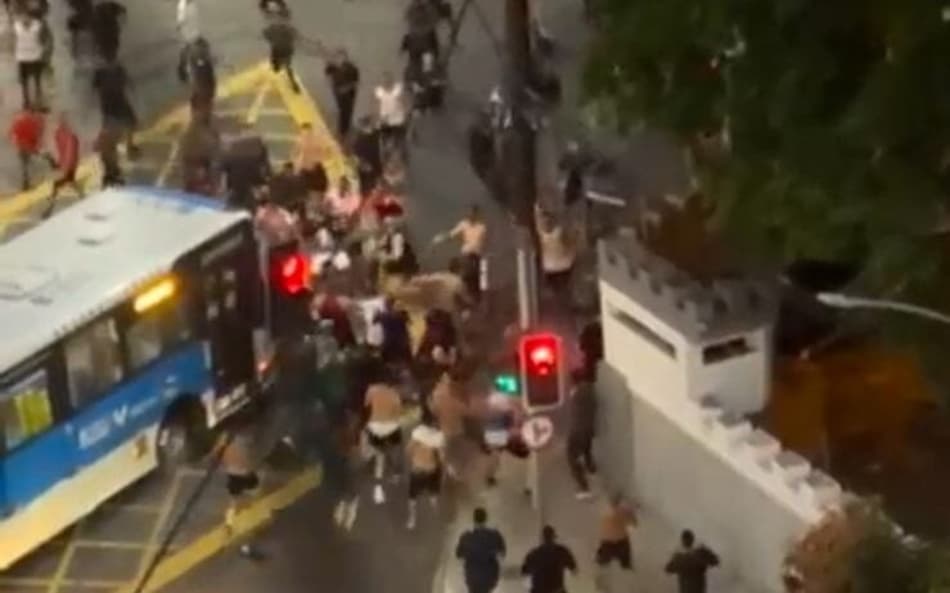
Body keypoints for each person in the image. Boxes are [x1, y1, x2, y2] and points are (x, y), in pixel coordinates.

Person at [363, 372, 404, 504]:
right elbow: (397, 414)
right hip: (391, 428)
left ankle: (377, 486)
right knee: (395, 449)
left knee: (379, 454)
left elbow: (366, 406)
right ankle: (396, 473)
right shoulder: (395, 395)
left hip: (375, 427)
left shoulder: (371, 389)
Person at [432, 205, 487, 302]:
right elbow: (451, 234)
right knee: (466, 277)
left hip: (477, 256)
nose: (471, 215)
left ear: (477, 214)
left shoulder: (482, 227)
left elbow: (486, 242)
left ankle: (476, 299)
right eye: (469, 213)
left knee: (476, 279)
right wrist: (440, 238)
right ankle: (466, 298)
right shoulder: (464, 224)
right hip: (466, 255)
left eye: (473, 213)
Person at [405, 410, 444, 529]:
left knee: (412, 498)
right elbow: (442, 457)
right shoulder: (439, 436)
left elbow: (408, 450)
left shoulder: (418, 433)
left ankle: (412, 519)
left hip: (417, 470)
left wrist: (415, 458)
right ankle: (436, 515)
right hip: (431, 470)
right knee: (433, 495)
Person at [93, 57, 139, 156]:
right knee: (129, 122)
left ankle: (111, 146)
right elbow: (129, 82)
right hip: (117, 100)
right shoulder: (117, 69)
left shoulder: (101, 71)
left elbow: (95, 89)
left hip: (108, 102)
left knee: (112, 125)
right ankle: (127, 146)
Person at [455, 507, 506, 593]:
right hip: (490, 577)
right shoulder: (495, 535)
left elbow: (459, 556)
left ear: (473, 520)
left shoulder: (466, 536)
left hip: (472, 577)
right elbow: (502, 554)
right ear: (486, 519)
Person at [44, 113, 83, 218]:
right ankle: (82, 197)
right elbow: (63, 150)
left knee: (60, 184)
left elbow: (70, 152)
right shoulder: (63, 133)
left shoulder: (68, 135)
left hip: (68, 164)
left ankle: (49, 209)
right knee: (68, 182)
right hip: (67, 164)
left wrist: (65, 166)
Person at [595, 495, 635, 591]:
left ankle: (601, 585)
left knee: (603, 565)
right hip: (621, 542)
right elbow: (634, 524)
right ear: (620, 502)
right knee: (626, 565)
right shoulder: (624, 511)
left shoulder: (602, 510)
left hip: (606, 543)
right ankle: (629, 581)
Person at [566, 371, 597, 498]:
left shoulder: (577, 393)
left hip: (577, 430)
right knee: (586, 449)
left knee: (571, 457)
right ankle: (591, 469)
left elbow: (575, 408)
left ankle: (584, 488)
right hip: (589, 428)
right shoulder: (591, 390)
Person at [535, 203, 576, 298]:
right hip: (547, 232)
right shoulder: (546, 265)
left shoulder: (568, 262)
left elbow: (571, 243)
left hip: (556, 228)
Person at [521, 525, 578, 593]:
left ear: (543, 538)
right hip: (556, 590)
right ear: (553, 537)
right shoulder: (562, 551)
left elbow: (524, 572)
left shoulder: (534, 553)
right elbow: (573, 569)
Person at [13, 10, 49, 110]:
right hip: (22, 57)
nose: (25, 19)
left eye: (27, 17)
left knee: (38, 81)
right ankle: (26, 102)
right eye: (22, 17)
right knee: (24, 82)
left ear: (31, 18)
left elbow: (44, 38)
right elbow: (14, 39)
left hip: (35, 57)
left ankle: (39, 101)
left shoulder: (37, 26)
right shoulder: (17, 27)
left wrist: (44, 50)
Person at [262, 1, 300, 92]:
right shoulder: (286, 27)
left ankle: (278, 67)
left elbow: (267, 35)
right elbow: (294, 35)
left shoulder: (273, 28)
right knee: (288, 66)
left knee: (280, 62)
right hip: (286, 49)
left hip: (280, 49)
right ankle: (293, 83)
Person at [8, 107, 46, 191]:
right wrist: (36, 146)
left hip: (21, 145)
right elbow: (36, 134)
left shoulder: (18, 120)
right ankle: (29, 181)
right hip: (29, 146)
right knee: (29, 163)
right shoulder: (33, 121)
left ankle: (26, 182)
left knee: (25, 165)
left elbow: (12, 133)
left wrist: (15, 142)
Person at [324, 49, 360, 137]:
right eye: (337, 57)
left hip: (348, 96)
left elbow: (355, 83)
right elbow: (327, 71)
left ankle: (343, 133)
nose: (339, 59)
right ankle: (341, 132)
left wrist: (345, 89)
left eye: (341, 57)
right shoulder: (334, 67)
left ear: (345, 57)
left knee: (346, 113)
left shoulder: (352, 68)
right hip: (338, 95)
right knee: (341, 112)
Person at [374, 72, 408, 158]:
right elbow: (376, 105)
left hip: (398, 120)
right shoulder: (379, 92)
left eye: (387, 81)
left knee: (400, 141)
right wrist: (378, 118)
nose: (385, 83)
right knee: (385, 141)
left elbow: (404, 102)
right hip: (385, 121)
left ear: (391, 81)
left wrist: (406, 114)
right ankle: (387, 156)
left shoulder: (398, 90)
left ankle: (402, 156)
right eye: (383, 81)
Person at [293, 123, 329, 197]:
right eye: (304, 135)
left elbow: (325, 154)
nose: (306, 138)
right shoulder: (299, 144)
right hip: (305, 173)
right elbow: (295, 156)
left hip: (314, 175)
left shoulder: (317, 144)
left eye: (309, 135)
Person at [352, 116, 382, 197]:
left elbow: (356, 157)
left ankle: (369, 191)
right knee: (370, 178)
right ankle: (370, 190)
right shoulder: (361, 141)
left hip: (371, 164)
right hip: (371, 164)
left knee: (369, 178)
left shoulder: (360, 141)